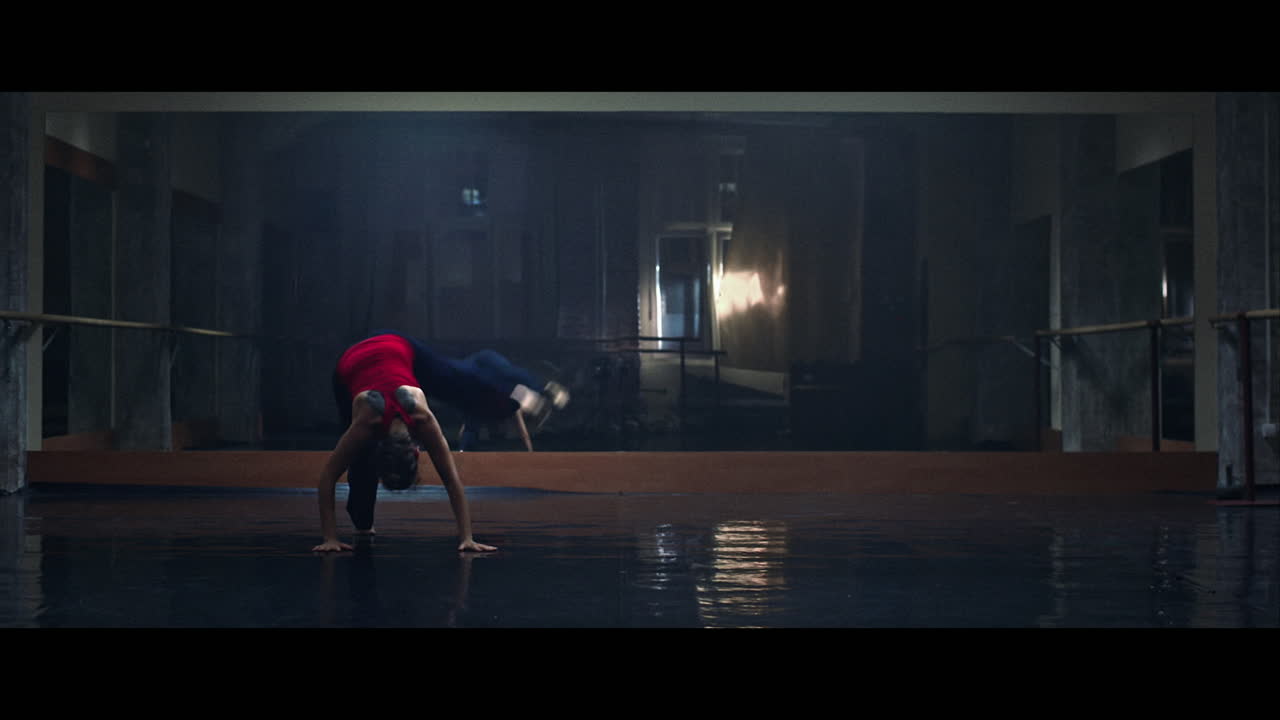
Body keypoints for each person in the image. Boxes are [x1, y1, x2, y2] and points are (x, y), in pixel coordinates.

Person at [314, 330, 560, 553]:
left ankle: (517, 387)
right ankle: (363, 522)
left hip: (394, 350)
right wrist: (466, 538)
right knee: (359, 458)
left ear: (416, 450)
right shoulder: (389, 419)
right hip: (360, 360)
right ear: (417, 449)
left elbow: (327, 477)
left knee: (458, 379)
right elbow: (451, 480)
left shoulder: (406, 419)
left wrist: (330, 537)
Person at [456, 349, 569, 452]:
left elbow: (468, 425)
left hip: (485, 365)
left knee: (510, 375)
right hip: (484, 372)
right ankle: (464, 448)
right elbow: (521, 428)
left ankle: (545, 390)